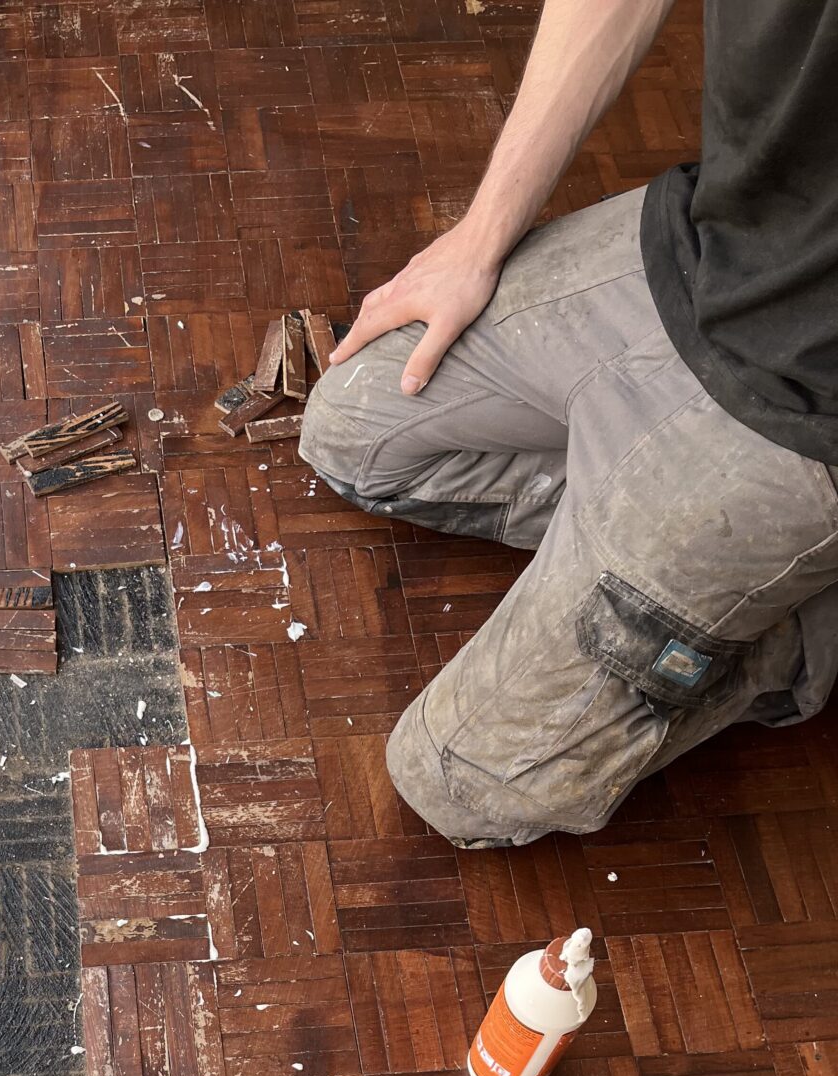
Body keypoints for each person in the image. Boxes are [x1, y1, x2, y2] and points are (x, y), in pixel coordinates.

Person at [299, 0, 838, 849]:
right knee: (350, 432)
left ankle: (801, 622)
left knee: (455, 779)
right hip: (705, 247)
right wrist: (481, 239)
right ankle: (649, 562)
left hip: (809, 418)